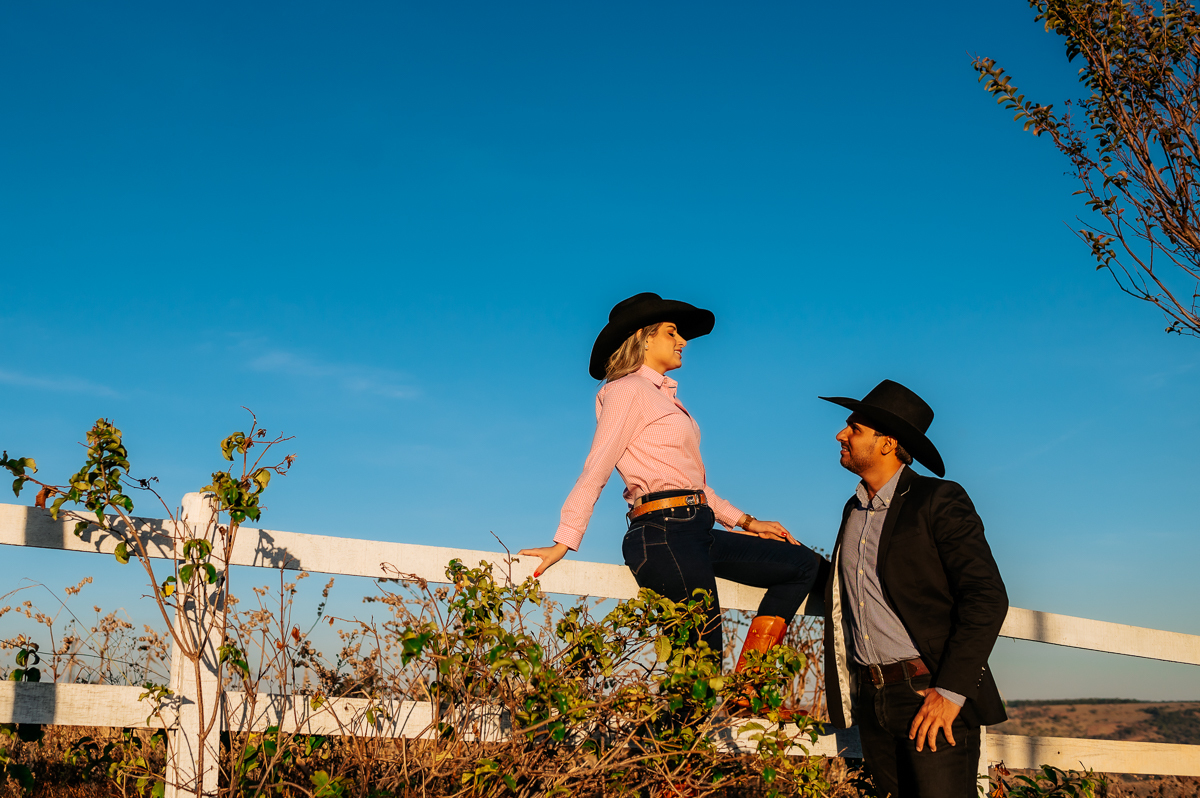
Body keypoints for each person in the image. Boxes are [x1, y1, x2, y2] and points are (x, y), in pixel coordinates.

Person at [520, 292, 824, 679]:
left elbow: (693, 484)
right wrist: (565, 539)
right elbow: (596, 467)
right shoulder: (627, 390)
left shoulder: (664, 398)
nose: (682, 341)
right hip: (662, 533)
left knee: (801, 564)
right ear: (643, 338)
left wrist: (748, 522)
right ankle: (675, 737)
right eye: (671, 332)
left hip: (696, 528)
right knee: (700, 663)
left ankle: (751, 683)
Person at [818, 379, 1008, 798]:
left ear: (887, 443)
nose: (840, 434)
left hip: (929, 695)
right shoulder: (853, 512)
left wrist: (950, 691)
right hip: (873, 700)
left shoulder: (938, 499)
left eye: (855, 428)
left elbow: (987, 596)